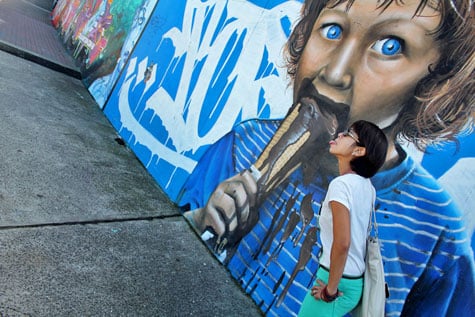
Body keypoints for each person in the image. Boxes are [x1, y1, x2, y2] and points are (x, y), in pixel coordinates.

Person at [178, 0, 475, 315]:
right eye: (332, 30)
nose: (334, 74)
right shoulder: (242, 146)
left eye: (390, 46)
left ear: (438, 83)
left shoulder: (436, 236)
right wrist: (202, 220)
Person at [298, 120, 388, 316]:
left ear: (359, 151)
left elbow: (343, 242)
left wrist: (330, 291)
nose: (339, 134)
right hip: (352, 279)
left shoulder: (342, 185)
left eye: (347, 134)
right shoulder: (367, 187)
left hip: (337, 280)